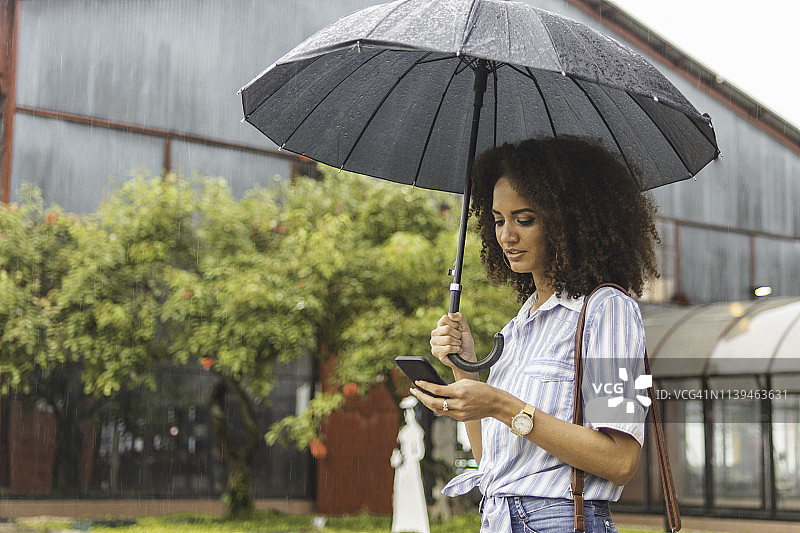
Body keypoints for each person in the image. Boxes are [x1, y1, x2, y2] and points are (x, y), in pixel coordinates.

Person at [409, 137, 660, 533]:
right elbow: (492, 459)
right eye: (497, 220)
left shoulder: (608, 311)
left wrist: (501, 404)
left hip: (561, 520)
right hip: (499, 518)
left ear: (568, 222)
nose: (506, 236)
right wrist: (465, 370)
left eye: (524, 219)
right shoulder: (522, 325)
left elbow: (621, 461)